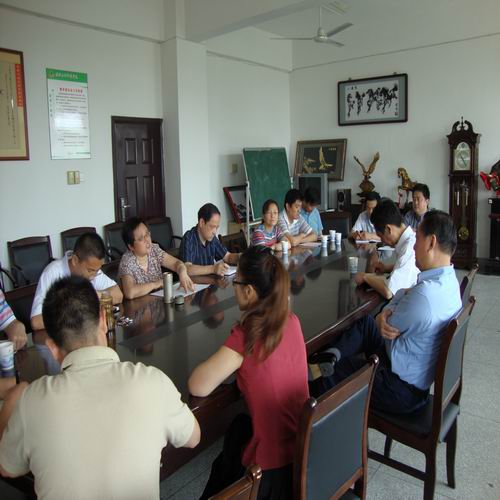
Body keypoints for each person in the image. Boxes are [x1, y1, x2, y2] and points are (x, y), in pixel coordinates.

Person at [0, 276, 200, 499]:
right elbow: (193, 438)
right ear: (104, 322)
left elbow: (7, 467)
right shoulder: (152, 381)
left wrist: (10, 404)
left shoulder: (31, 401)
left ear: (51, 347)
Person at [311, 210, 462, 414]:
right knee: (366, 324)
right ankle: (330, 356)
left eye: (418, 238)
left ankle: (320, 379)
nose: (414, 246)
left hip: (399, 388)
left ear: (431, 242)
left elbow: (389, 315)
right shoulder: (449, 281)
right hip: (411, 368)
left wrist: (385, 313)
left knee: (330, 377)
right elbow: (399, 296)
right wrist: (391, 307)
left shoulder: (425, 296)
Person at [188, 247, 309, 499]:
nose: (234, 287)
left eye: (236, 282)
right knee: (238, 428)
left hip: (271, 475)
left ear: (249, 291)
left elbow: (197, 385)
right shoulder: (292, 320)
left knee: (229, 453)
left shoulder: (247, 337)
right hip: (301, 454)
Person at [30, 232, 122, 331]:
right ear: (74, 260)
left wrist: (94, 295)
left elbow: (118, 295)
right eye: (90, 270)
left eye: (97, 270)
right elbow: (36, 321)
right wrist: (74, 311)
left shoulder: (93, 269)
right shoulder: (52, 272)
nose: (94, 276)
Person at [354, 199, 419, 299]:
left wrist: (365, 276)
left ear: (388, 229)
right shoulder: (410, 239)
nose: (382, 241)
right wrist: (386, 268)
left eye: (380, 236)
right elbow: (406, 268)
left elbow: (389, 291)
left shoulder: (408, 248)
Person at [119, 217, 194, 299]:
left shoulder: (154, 250)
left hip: (160, 301)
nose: (147, 240)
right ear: (131, 246)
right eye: (141, 238)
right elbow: (130, 292)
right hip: (140, 305)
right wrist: (155, 284)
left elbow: (176, 263)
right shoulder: (127, 261)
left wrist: (182, 272)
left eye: (147, 234)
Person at [179, 203, 240, 276]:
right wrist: (213, 269)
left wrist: (242, 257)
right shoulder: (189, 238)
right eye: (212, 227)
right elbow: (187, 269)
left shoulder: (212, 238)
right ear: (201, 222)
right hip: (194, 282)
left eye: (217, 227)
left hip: (209, 281)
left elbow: (228, 257)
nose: (215, 232)